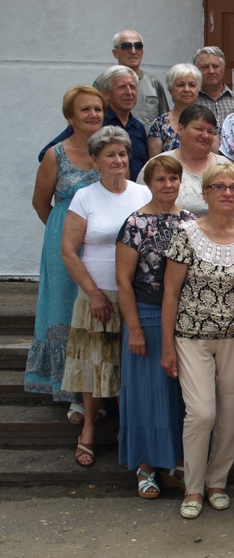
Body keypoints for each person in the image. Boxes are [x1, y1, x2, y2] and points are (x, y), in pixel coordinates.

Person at [161, 162, 234, 520]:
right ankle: (193, 487)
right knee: (202, 412)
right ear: (205, 193)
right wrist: (167, 346)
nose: (227, 193)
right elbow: (170, 293)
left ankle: (217, 483)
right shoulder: (186, 234)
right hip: (192, 336)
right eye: (218, 186)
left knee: (230, 416)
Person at [59, 126, 153, 467]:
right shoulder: (84, 197)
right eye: (110, 154)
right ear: (95, 160)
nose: (118, 160)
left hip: (135, 296)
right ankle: (88, 429)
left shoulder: (143, 194)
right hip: (96, 297)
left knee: (129, 366)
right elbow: (69, 251)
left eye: (123, 154)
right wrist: (95, 295)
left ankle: (127, 429)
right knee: (93, 365)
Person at [116, 155, 195, 499]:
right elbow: (123, 281)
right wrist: (134, 329)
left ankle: (173, 463)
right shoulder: (135, 223)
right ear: (149, 183)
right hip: (146, 317)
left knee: (177, 395)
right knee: (146, 393)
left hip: (184, 319)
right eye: (160, 179)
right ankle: (146, 466)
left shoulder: (190, 222)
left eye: (173, 178)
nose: (168, 184)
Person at [25, 86, 104, 421]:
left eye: (98, 109)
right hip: (64, 244)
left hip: (100, 243)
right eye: (85, 109)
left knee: (94, 311)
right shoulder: (54, 155)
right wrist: (63, 232)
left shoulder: (110, 151)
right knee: (64, 309)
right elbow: (40, 203)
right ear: (70, 116)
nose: (93, 115)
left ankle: (95, 388)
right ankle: (69, 389)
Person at [38, 66, 148, 180]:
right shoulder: (93, 123)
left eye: (132, 87)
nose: (129, 92)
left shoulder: (138, 127)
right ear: (107, 93)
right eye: (122, 87)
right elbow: (51, 154)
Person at [138, 105, 231, 218]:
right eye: (199, 129)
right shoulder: (158, 165)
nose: (205, 135)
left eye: (210, 131)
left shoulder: (225, 165)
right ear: (181, 129)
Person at [105, 30, 169, 127]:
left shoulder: (153, 82)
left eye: (138, 46)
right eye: (126, 46)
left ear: (142, 52)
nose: (133, 51)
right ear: (115, 53)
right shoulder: (104, 81)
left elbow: (164, 120)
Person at [147, 63, 205, 158]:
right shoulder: (159, 125)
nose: (187, 89)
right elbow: (154, 162)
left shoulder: (210, 123)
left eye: (192, 85)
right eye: (181, 85)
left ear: (198, 89)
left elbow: (216, 161)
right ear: (170, 89)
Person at [194, 46, 234, 127]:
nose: (211, 71)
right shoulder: (191, 101)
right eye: (205, 67)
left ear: (223, 69)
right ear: (196, 71)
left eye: (215, 66)